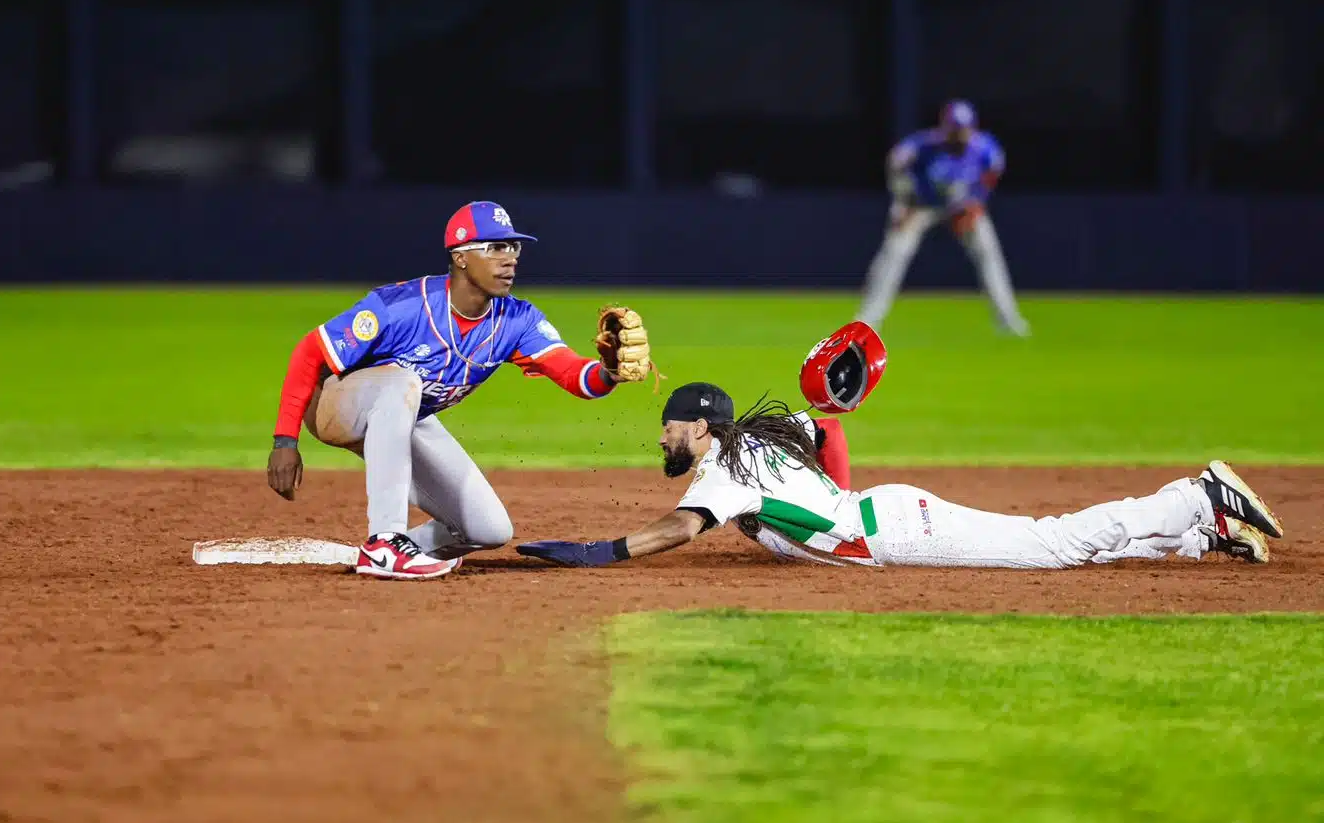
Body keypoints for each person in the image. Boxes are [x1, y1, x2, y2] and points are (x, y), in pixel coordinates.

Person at [515, 325, 1283, 570]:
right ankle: (1196, 537)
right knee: (1051, 551)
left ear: (702, 430)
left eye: (672, 426)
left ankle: (1192, 493)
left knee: (1053, 547)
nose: (662, 437)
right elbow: (827, 433)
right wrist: (834, 493)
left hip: (899, 531)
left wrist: (598, 553)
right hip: (885, 516)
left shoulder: (724, 471)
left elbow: (679, 529)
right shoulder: (761, 443)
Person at [266, 201, 655, 580]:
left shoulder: (516, 320)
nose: (510, 258)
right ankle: (384, 541)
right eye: (496, 248)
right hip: (336, 403)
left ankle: (407, 549)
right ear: (461, 256)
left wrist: (608, 370)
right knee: (404, 382)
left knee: (488, 530)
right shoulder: (400, 306)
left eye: (514, 247)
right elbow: (309, 352)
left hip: (402, 413)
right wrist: (286, 441)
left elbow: (575, 376)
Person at [857, 100, 1029, 336]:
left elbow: (991, 175)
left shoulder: (986, 149)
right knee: (895, 253)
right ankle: (868, 319)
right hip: (920, 205)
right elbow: (895, 166)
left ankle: (1008, 319)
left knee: (988, 252)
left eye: (963, 128)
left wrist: (977, 202)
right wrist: (904, 202)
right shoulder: (923, 146)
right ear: (944, 126)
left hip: (962, 206)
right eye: (954, 128)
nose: (959, 134)